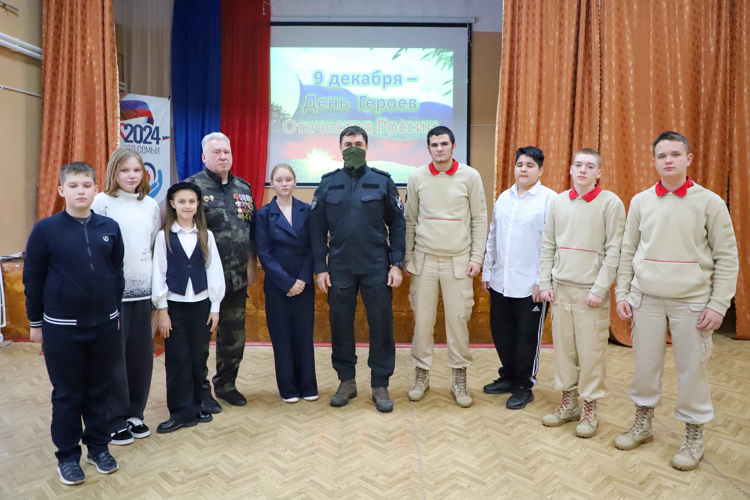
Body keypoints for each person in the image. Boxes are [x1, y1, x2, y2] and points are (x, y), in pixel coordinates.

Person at [613, 131, 738, 471]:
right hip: (646, 299)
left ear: (688, 159)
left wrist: (718, 304)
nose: (668, 160)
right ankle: (643, 423)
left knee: (692, 371)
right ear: (653, 161)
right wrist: (622, 292)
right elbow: (627, 251)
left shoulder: (710, 202)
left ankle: (693, 435)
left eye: (675, 154)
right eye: (662, 155)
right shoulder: (640, 201)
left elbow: (727, 257)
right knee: (644, 367)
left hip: (692, 303)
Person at [23, 162, 124, 485]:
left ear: (96, 189)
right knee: (68, 395)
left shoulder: (109, 227)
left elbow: (116, 273)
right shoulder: (45, 230)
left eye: (86, 185)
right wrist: (35, 322)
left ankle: (98, 447)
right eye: (74, 185)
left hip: (104, 326)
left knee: (99, 390)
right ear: (61, 190)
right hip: (61, 328)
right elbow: (33, 278)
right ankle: (67, 456)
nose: (81, 191)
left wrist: (115, 311)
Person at [310, 125, 406, 413]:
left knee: (381, 327)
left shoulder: (382, 182)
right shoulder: (328, 184)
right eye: (349, 143)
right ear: (339, 148)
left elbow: (398, 224)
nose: (354, 147)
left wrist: (397, 263)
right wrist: (319, 267)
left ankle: (380, 384)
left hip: (377, 265)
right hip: (339, 267)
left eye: (359, 143)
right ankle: (346, 381)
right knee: (340, 327)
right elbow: (316, 228)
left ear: (367, 147)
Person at [538, 148, 626, 437]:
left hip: (591, 293)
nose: (583, 170)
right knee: (564, 351)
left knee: (591, 354)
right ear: (571, 169)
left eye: (590, 166)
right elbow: (548, 244)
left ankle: (590, 409)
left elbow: (615, 251)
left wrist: (600, 288)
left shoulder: (610, 203)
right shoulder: (559, 202)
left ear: (598, 172)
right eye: (578, 165)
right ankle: (569, 404)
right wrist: (545, 282)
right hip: (562, 290)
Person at [404, 126, 487, 407]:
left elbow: (479, 218)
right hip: (424, 261)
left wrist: (476, 257)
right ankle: (421, 376)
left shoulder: (470, 176)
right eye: (433, 145)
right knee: (422, 323)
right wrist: (407, 257)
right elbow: (410, 220)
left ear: (453, 146)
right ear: (428, 148)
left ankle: (459, 379)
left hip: (459, 262)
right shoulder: (416, 177)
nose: (439, 149)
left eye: (443, 144)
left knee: (458, 322)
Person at [92, 148, 161, 445]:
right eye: (124, 170)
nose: (131, 176)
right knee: (113, 358)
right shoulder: (102, 202)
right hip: (113, 294)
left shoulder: (151, 205)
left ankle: (135, 413)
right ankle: (114, 418)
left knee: (140, 357)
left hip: (143, 293)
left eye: (136, 170)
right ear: (113, 173)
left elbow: (154, 247)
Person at [186, 132, 257, 411]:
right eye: (216, 152)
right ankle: (200, 390)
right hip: (204, 280)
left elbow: (251, 231)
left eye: (226, 151)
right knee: (201, 338)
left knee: (233, 336)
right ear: (204, 157)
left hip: (237, 278)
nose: (223, 156)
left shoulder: (244, 188)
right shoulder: (192, 187)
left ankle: (226, 385)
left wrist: (252, 264)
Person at [481, 147, 556, 409]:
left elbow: (553, 244)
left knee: (527, 338)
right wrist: (487, 271)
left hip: (531, 286)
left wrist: (543, 280)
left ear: (540, 170)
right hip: (501, 281)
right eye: (520, 164)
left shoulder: (549, 200)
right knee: (502, 334)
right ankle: (509, 377)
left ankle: (525, 385)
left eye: (530, 165)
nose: (523, 169)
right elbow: (493, 236)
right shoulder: (504, 197)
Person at [152, 182, 225, 433]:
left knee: (198, 357)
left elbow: (214, 271)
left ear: (198, 205)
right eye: (181, 201)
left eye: (192, 201)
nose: (187, 206)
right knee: (177, 358)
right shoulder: (164, 236)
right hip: (174, 306)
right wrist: (162, 308)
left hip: (201, 305)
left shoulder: (206, 235)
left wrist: (215, 306)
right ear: (172, 204)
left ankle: (196, 405)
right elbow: (159, 273)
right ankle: (180, 411)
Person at [256, 164, 317, 403]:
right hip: (277, 282)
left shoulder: (307, 210)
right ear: (272, 183)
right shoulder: (263, 214)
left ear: (295, 182)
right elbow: (264, 252)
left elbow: (314, 247)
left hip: (304, 279)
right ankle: (288, 388)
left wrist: (302, 279)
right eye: (279, 180)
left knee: (303, 334)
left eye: (288, 179)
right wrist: (287, 282)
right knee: (281, 335)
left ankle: (308, 385)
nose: (284, 183)